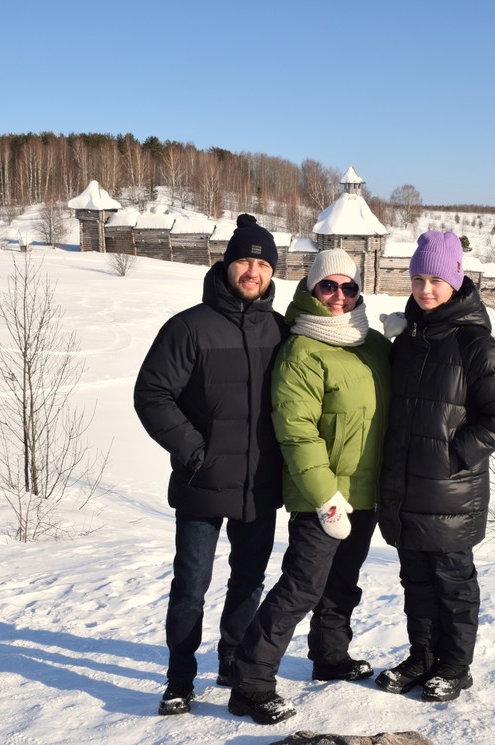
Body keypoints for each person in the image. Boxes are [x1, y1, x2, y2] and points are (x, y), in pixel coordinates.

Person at [228, 249, 392, 725]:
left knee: (342, 585)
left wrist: (412, 336)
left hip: (365, 493)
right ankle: (251, 681)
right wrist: (325, 497)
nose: (339, 297)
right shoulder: (301, 350)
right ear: (310, 290)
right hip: (322, 497)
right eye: (328, 286)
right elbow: (297, 430)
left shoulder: (374, 343)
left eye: (349, 288)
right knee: (302, 587)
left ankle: (330, 657)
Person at [133, 214, 288, 716]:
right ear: (226, 265)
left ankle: (232, 662)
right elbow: (152, 393)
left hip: (260, 485)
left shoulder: (281, 330)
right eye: (245, 259)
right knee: (191, 584)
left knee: (249, 580)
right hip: (203, 482)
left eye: (263, 263)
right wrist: (193, 449)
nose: (253, 271)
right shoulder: (189, 328)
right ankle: (180, 678)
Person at [375, 230, 495, 703]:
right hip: (406, 490)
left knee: (453, 583)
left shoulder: (475, 345)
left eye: (436, 279)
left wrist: (452, 456)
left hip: (451, 493)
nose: (426, 290)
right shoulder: (409, 339)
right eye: (418, 279)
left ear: (456, 280)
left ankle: (455, 666)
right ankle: (422, 656)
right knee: (415, 581)